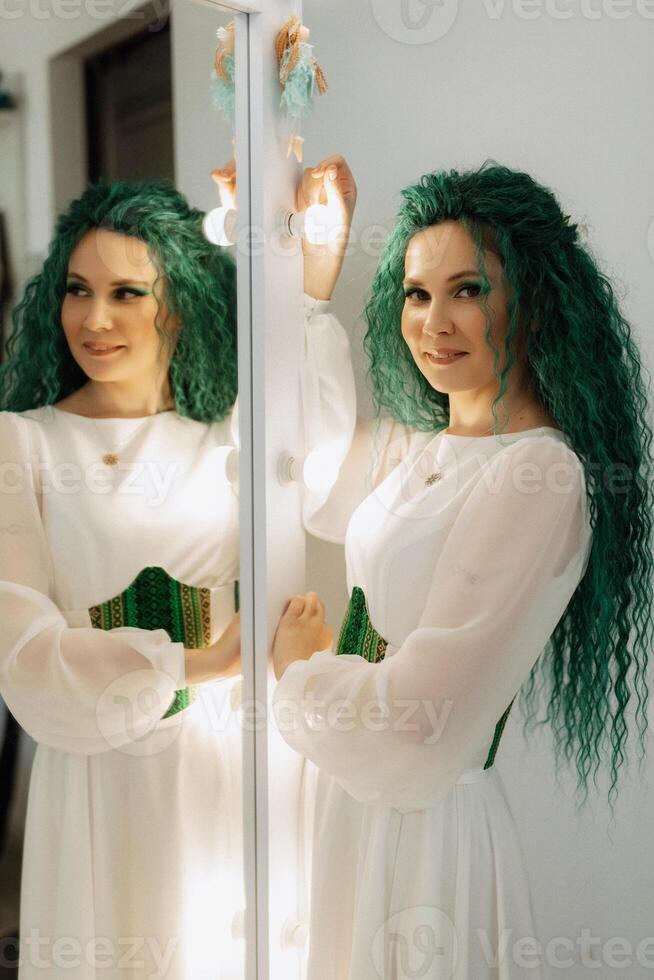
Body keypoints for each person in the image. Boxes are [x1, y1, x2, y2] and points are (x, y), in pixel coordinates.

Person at [271, 156, 654, 979]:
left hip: (424, 833)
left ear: (535, 298)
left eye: (468, 290)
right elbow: (295, 475)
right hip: (352, 807)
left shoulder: (539, 476)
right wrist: (309, 295)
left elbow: (420, 730)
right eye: (417, 292)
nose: (434, 320)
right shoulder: (422, 451)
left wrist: (300, 675)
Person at [0, 180, 244, 980]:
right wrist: (198, 663)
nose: (94, 319)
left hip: (225, 772)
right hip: (93, 778)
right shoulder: (22, 445)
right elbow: (24, 652)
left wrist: (309, 281)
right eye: (77, 290)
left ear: (180, 302)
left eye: (126, 293)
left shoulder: (232, 440)